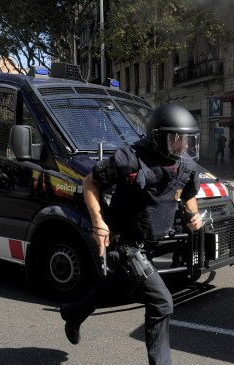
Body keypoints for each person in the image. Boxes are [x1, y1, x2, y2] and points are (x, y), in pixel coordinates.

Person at [60, 104, 203, 365]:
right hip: (126, 244)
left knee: (115, 289)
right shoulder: (129, 158)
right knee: (161, 303)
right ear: (158, 137)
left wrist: (192, 218)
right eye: (176, 138)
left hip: (152, 244)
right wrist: (98, 223)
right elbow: (89, 183)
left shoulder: (187, 166)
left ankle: (72, 313)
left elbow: (189, 196)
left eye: (187, 139)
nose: (182, 145)